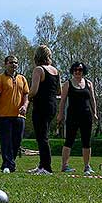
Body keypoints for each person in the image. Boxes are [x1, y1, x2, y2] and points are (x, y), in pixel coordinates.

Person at [57, 62, 98, 175]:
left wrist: (95, 113)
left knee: (86, 141)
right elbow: (63, 101)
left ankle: (87, 166)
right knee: (69, 140)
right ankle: (64, 166)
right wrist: (60, 114)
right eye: (75, 70)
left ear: (83, 71)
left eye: (80, 70)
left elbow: (92, 100)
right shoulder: (67, 84)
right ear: (72, 71)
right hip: (72, 116)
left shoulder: (89, 84)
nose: (77, 72)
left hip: (86, 116)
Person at [0, 55, 29, 173]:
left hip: (19, 117)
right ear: (5, 64)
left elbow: (26, 96)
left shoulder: (22, 79)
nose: (14, 65)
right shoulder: (0, 78)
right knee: (6, 142)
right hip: (4, 116)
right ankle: (9, 165)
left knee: (16, 142)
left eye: (16, 63)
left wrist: (25, 106)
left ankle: (8, 164)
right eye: (11, 62)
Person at [28, 45, 61, 175]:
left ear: (37, 56)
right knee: (44, 135)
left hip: (41, 106)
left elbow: (34, 90)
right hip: (52, 105)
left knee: (42, 137)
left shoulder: (38, 70)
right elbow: (59, 89)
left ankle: (46, 167)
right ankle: (42, 165)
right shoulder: (55, 70)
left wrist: (26, 97)